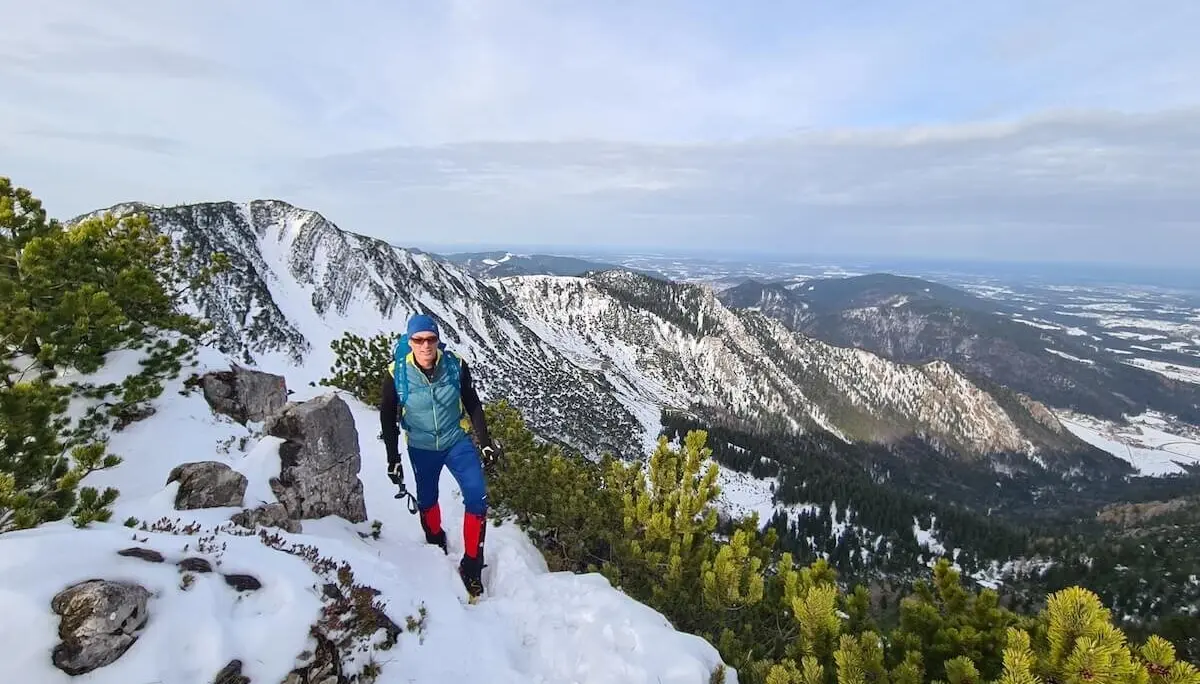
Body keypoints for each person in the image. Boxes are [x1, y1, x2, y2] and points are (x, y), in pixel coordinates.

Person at [379, 313, 498, 597]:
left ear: (438, 341)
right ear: (410, 342)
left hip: (456, 440)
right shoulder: (396, 374)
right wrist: (392, 457)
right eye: (418, 340)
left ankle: (472, 564)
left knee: (477, 497)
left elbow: (473, 404)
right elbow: (387, 418)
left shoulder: (455, 366)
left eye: (430, 339)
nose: (425, 346)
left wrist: (485, 442)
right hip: (421, 447)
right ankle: (435, 541)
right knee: (427, 499)